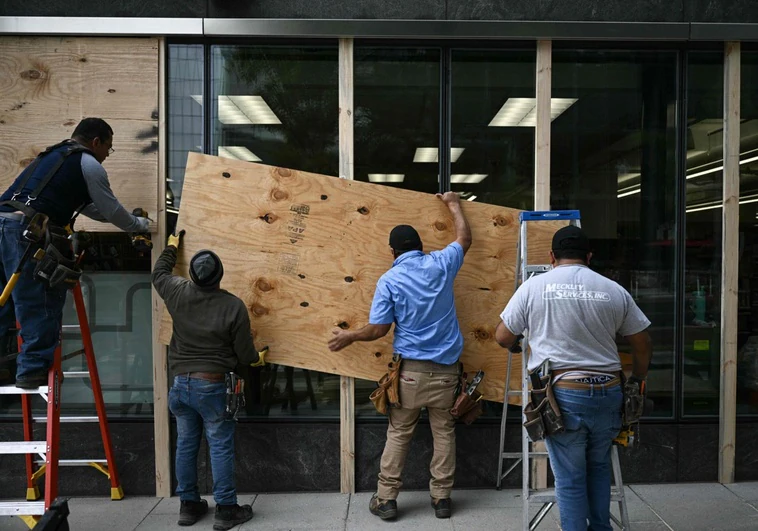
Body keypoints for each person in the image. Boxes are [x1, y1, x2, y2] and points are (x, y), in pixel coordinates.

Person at [494, 225, 652, 531]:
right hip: (609, 391)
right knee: (599, 467)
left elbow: (502, 336)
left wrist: (518, 343)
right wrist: (638, 379)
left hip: (563, 395)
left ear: (552, 257)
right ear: (589, 257)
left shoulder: (533, 287)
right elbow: (643, 342)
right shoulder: (612, 289)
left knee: (569, 479)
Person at [328, 192, 472, 521]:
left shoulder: (390, 279)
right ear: (420, 245)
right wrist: (453, 205)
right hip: (449, 372)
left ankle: (387, 499)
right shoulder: (441, 263)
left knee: (399, 433)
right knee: (444, 432)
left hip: (410, 375)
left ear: (392, 252)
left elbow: (379, 329)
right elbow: (464, 238)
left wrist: (350, 335)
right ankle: (442, 499)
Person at [0, 118, 149, 388]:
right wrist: (139, 225)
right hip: (25, 233)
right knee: (39, 298)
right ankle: (32, 371)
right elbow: (111, 209)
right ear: (96, 142)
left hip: (3, 224)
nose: (107, 155)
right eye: (109, 148)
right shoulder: (89, 164)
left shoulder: (52, 155)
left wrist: (120, 217)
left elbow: (98, 209)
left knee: (4, 298)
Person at [152, 229, 266, 531]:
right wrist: (258, 359)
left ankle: (188, 506)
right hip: (213, 387)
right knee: (220, 446)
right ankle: (226, 509)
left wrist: (172, 247)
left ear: (191, 274)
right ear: (220, 276)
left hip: (180, 386)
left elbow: (159, 272)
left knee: (187, 444)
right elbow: (244, 354)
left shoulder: (176, 291)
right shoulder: (233, 306)